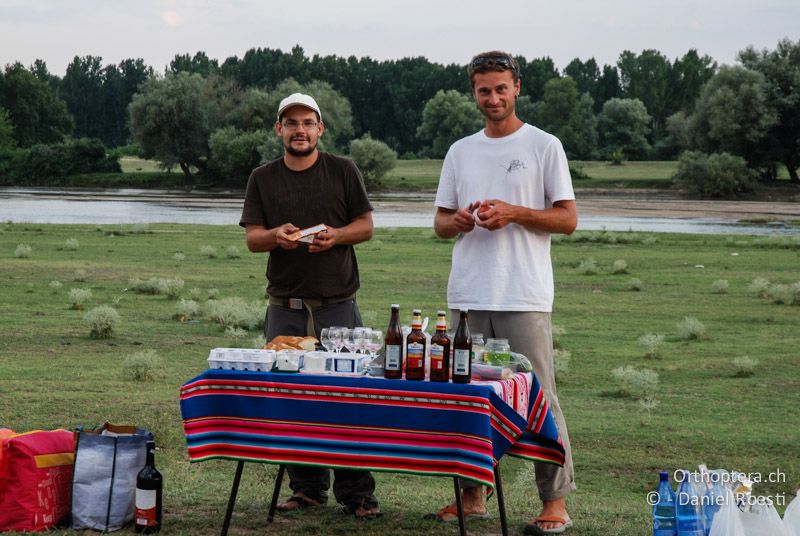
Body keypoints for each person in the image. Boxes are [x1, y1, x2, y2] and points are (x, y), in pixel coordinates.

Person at [433, 51, 578, 534]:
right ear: (473, 93)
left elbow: (567, 219)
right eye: (483, 90)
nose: (492, 98)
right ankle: (472, 495)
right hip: (468, 294)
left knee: (540, 397)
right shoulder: (460, 151)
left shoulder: (544, 145)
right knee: (463, 397)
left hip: (524, 294)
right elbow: (439, 223)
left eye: (501, 88)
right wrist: (455, 221)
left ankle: (554, 503)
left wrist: (515, 212)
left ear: (517, 87)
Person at [239, 92, 380, 518]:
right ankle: (306, 489)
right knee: (292, 398)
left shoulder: (343, 170)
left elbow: (366, 226)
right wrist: (275, 237)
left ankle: (357, 495)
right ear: (278, 130)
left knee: (348, 399)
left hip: (338, 305)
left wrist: (336, 235)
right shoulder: (262, 178)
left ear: (320, 129)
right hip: (285, 307)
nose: (299, 130)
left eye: (307, 122)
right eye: (291, 123)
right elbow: (252, 238)